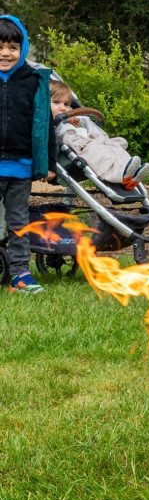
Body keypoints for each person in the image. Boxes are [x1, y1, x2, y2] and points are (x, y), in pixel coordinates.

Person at [0, 15, 57, 294]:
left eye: (12, 47)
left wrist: (49, 163)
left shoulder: (33, 81)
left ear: (22, 49)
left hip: (20, 168)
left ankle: (20, 274)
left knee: (18, 224)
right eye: (0, 47)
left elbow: (46, 125)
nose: (5, 53)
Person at [50, 82, 149, 186]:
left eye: (66, 104)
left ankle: (132, 172)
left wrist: (75, 122)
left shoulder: (74, 119)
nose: (63, 108)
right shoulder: (47, 124)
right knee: (97, 150)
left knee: (112, 146)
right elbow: (63, 136)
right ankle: (122, 172)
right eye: (56, 102)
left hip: (89, 146)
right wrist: (64, 121)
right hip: (75, 155)